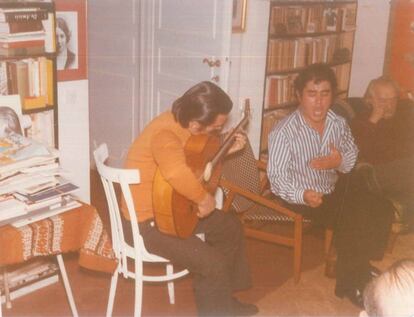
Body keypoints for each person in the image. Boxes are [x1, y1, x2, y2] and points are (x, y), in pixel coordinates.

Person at [124, 81, 258, 316]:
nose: (218, 129)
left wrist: (226, 149)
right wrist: (203, 199)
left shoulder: (182, 121)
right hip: (147, 226)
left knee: (230, 227)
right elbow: (176, 173)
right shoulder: (165, 134)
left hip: (170, 209)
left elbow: (194, 161)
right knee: (212, 262)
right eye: (216, 126)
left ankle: (221, 300)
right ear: (196, 123)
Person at [267, 63, 393, 308]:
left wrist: (339, 161)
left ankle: (360, 262)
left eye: (325, 94)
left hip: (333, 186)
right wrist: (304, 194)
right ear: (298, 96)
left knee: (380, 206)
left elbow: (351, 156)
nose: (319, 102)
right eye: (311, 94)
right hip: (300, 196)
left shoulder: (337, 122)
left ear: (332, 96)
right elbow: (278, 180)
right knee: (353, 215)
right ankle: (349, 283)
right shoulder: (283, 132)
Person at [351, 77, 414, 227]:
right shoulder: (361, 121)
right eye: (383, 100)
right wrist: (373, 120)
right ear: (370, 100)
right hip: (376, 173)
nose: (389, 105)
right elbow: (354, 152)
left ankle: (401, 209)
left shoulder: (404, 114)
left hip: (403, 171)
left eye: (393, 99)